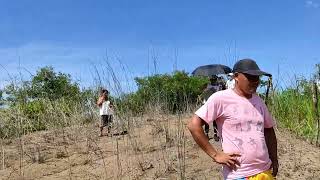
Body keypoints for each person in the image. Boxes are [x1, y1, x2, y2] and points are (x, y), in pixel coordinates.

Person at [187, 59, 278, 180]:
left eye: (257, 77)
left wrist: (274, 158)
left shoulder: (259, 101)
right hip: (238, 174)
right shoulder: (221, 98)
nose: (255, 81)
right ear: (236, 76)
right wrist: (215, 155)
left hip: (264, 170)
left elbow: (269, 130)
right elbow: (194, 126)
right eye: (250, 77)